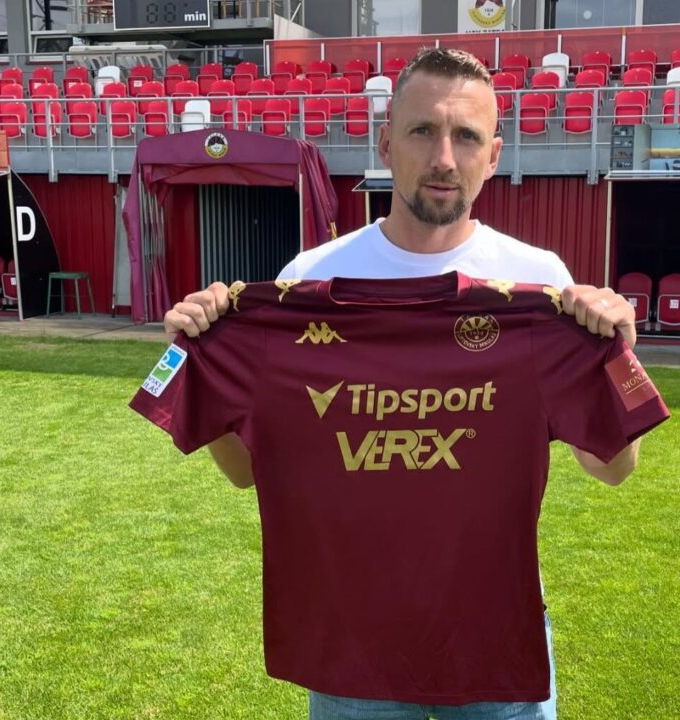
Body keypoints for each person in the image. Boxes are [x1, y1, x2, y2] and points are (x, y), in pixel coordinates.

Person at [163, 48, 642, 720]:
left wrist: (616, 354)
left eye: (466, 136)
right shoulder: (309, 280)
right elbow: (246, 472)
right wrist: (206, 360)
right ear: (386, 143)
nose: (444, 157)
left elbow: (613, 467)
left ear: (493, 156)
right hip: (351, 643)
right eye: (423, 131)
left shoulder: (538, 282)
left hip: (493, 635)